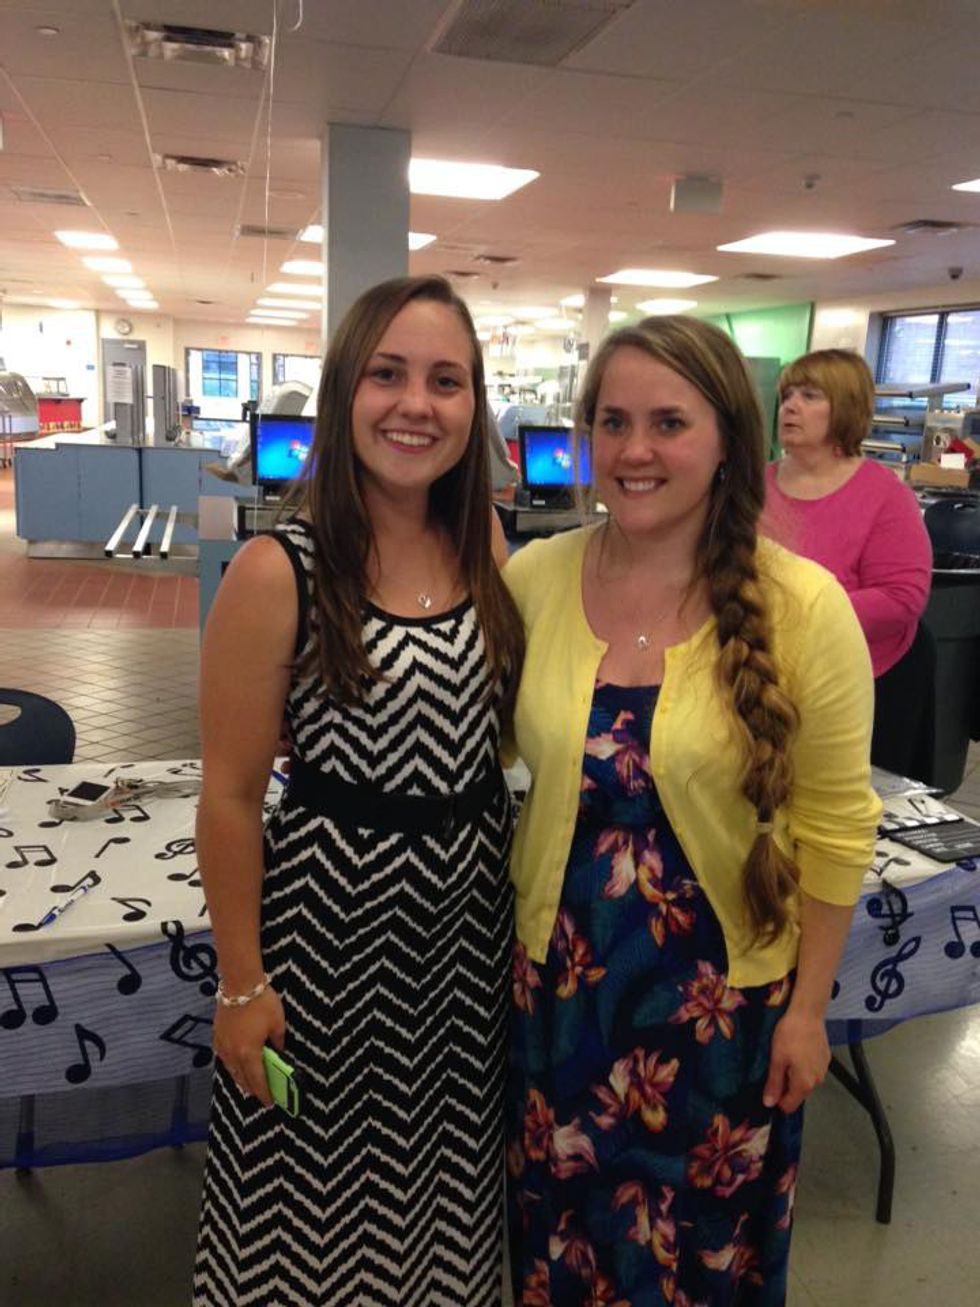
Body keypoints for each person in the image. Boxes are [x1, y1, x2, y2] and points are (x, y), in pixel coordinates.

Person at [502, 317, 881, 1305]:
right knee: (565, 1250)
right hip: (561, 997)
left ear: (725, 441)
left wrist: (809, 1010)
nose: (634, 449)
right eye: (612, 421)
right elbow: (476, 753)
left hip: (722, 1016)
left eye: (668, 422)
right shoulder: (533, 580)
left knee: (697, 1264)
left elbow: (838, 824)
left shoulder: (803, 607)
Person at [192, 274, 525, 1306]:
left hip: (467, 943)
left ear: (474, 406)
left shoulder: (485, 547)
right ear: (343, 392)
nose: (415, 404)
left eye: (446, 381)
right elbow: (230, 796)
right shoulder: (277, 568)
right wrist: (241, 984)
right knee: (308, 1219)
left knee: (443, 1206)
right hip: (331, 944)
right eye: (388, 374)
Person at [765, 348, 933, 778]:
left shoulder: (884, 494)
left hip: (865, 678)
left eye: (809, 396)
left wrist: (794, 613)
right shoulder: (755, 486)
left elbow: (901, 598)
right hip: (771, 676)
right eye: (787, 395)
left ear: (845, 408)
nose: (790, 406)